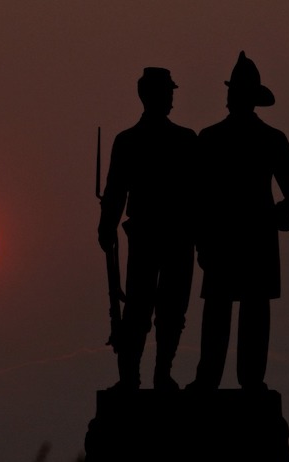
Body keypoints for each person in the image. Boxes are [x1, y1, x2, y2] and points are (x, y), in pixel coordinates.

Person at [186, 52, 289, 392]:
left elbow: (197, 199)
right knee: (242, 313)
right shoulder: (267, 139)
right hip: (247, 235)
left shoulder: (212, 138)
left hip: (227, 237)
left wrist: (202, 241)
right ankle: (241, 381)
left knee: (233, 312)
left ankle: (214, 381)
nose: (230, 98)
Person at [98, 67, 197, 391]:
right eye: (166, 92)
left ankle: (159, 375)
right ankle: (132, 378)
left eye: (171, 92)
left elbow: (198, 192)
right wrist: (106, 225)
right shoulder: (131, 141)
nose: (170, 98)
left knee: (170, 310)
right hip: (148, 234)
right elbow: (115, 191)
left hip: (177, 234)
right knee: (139, 308)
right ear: (149, 95)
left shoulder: (183, 139)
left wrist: (107, 225)